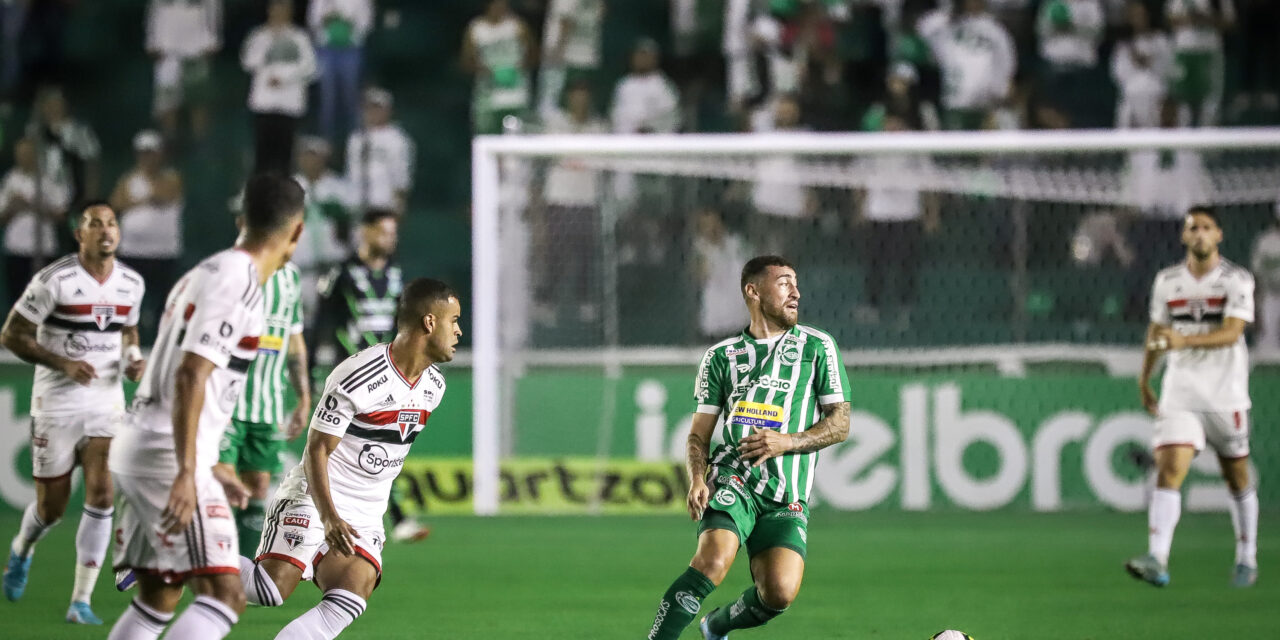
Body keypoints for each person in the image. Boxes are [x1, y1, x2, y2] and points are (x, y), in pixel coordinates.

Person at [105, 174, 304, 640]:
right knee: (224, 596)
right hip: (167, 454)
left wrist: (210, 462)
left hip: (147, 443)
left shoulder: (206, 271)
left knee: (158, 598)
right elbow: (191, 373)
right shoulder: (239, 283)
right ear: (296, 233)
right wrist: (189, 467)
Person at [238, 278, 461, 640]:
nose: (459, 331)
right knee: (270, 589)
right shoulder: (359, 375)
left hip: (366, 514)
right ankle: (177, 557)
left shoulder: (434, 386)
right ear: (429, 322)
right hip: (317, 496)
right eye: (454, 320)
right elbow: (317, 449)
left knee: (352, 594)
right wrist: (329, 517)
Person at [645, 255, 852, 639]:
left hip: (786, 493)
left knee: (779, 593)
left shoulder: (818, 346)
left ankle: (716, 625)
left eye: (796, 284)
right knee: (712, 561)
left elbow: (840, 423)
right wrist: (697, 479)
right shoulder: (721, 357)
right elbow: (698, 435)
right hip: (733, 479)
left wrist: (787, 441)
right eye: (784, 283)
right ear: (753, 291)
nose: (796, 292)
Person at [0, 203, 146, 624]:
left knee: (102, 491)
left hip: (105, 401)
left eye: (111, 223)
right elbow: (11, 334)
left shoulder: (131, 283)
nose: (105, 230)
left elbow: (129, 329)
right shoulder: (54, 281)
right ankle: (21, 550)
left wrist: (133, 358)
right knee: (52, 508)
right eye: (94, 224)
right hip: (56, 404)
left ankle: (80, 601)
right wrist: (62, 363)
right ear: (78, 235)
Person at [1128, 206, 1257, 589]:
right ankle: (1157, 557)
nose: (1199, 234)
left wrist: (1184, 340)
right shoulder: (1167, 281)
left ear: (1219, 235)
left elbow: (1232, 333)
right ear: (1184, 237)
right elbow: (1156, 330)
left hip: (1225, 394)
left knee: (1237, 477)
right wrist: (1145, 376)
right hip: (1180, 389)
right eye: (1192, 228)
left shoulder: (1236, 280)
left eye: (1206, 228)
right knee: (1169, 468)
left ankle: (1247, 556)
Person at [311, 209, 428, 542]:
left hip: (389, 375)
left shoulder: (397, 274)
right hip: (352, 377)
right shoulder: (341, 274)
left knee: (378, 447)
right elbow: (321, 322)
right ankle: (390, 517)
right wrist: (307, 371)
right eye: (382, 232)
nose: (389, 239)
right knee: (340, 449)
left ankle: (386, 517)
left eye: (393, 232)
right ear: (365, 232)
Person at [214, 252, 311, 558]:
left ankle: (240, 572)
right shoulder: (231, 271)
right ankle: (204, 567)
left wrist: (303, 397)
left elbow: (294, 341)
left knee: (257, 488)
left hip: (267, 406)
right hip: (226, 404)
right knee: (223, 485)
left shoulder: (291, 277)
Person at [109, 129, 183, 340]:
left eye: (151, 153)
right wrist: (143, 200)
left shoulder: (171, 177)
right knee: (128, 300)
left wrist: (137, 200)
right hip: (132, 251)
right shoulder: (128, 179)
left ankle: (160, 343)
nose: (147, 158)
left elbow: (165, 194)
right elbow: (117, 204)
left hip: (163, 252)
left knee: (163, 301)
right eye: (143, 153)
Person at [241, 0, 317, 175]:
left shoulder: (300, 37)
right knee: (262, 157)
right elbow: (248, 62)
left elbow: (310, 67)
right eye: (275, 11)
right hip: (264, 104)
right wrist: (269, 44)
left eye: (283, 11)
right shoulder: (258, 36)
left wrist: (284, 79)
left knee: (285, 158)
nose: (278, 15)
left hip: (289, 105)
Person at [918, 0, 1016, 130]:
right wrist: (952, 14)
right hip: (953, 105)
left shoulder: (995, 30)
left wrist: (997, 105)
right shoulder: (943, 26)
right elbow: (922, 29)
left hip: (985, 108)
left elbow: (1006, 70)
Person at [0, 136, 70, 307]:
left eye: (28, 153)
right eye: (20, 154)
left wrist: (32, 205)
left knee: (42, 300)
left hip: (44, 248)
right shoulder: (10, 180)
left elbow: (62, 215)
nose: (23, 157)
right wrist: (13, 207)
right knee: (17, 299)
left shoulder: (48, 180)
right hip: (16, 248)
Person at [146, 0, 222, 141]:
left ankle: (202, 146)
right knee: (167, 106)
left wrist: (213, 42)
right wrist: (152, 43)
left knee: (199, 104)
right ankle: (169, 146)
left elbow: (214, 15)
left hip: (197, 54)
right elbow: (153, 16)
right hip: (167, 55)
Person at [292, 135, 352, 315]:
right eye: (306, 155)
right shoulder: (289, 188)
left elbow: (350, 224)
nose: (310, 161)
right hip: (302, 268)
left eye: (315, 155)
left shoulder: (340, 188)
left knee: (333, 314)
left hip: (332, 267)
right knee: (303, 318)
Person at [462, 0, 535, 135]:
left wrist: (519, 67)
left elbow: (533, 54)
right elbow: (466, 62)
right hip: (488, 94)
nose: (501, 7)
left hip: (516, 92)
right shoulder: (476, 29)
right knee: (485, 134)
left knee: (518, 133)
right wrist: (486, 71)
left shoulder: (517, 26)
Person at [307, 0, 373, 145]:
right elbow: (312, 21)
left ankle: (355, 142)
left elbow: (367, 24)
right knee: (327, 98)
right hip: (326, 49)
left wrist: (346, 17)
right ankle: (326, 143)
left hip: (351, 49)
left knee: (351, 96)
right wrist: (326, 18)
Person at [1165, 0, 1234, 127]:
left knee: (1210, 104)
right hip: (1185, 52)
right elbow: (1170, 18)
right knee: (1183, 105)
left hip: (1210, 52)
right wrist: (1191, 19)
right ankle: (1184, 143)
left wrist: (1207, 20)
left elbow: (1229, 22)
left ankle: (1210, 143)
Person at [345, 87, 414, 215]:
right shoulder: (356, 138)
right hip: (355, 205)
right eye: (369, 108)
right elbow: (350, 171)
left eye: (377, 108)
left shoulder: (397, 139)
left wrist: (399, 205)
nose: (372, 112)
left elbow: (401, 177)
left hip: (383, 205)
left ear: (389, 110)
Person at [537, 0, 605, 119]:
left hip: (566, 58)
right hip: (588, 54)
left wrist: (558, 50)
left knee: (554, 107)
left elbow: (566, 20)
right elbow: (602, 12)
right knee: (584, 107)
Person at [1111, 1, 1173, 129]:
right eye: (1133, 14)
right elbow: (1118, 74)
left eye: (1140, 13)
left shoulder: (1161, 40)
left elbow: (1169, 69)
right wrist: (1136, 65)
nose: (1137, 18)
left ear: (1148, 15)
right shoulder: (1123, 45)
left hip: (1156, 97)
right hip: (1132, 97)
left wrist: (1150, 64)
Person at [1250, 205, 1280, 353]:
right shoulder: (1266, 241)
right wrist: (1256, 306)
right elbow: (1257, 276)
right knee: (1266, 343)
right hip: (1271, 295)